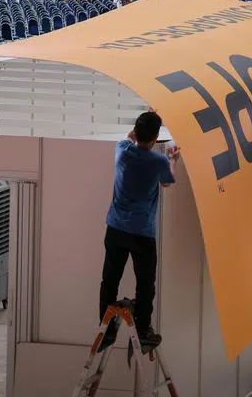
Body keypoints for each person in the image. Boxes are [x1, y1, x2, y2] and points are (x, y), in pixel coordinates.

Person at [99, 111, 179, 351]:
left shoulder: (122, 151)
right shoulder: (158, 162)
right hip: (142, 233)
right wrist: (173, 159)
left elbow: (130, 136)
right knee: (145, 283)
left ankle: (105, 331)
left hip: (115, 228)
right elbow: (167, 182)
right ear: (156, 138)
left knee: (110, 279)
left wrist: (143, 125)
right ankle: (143, 331)